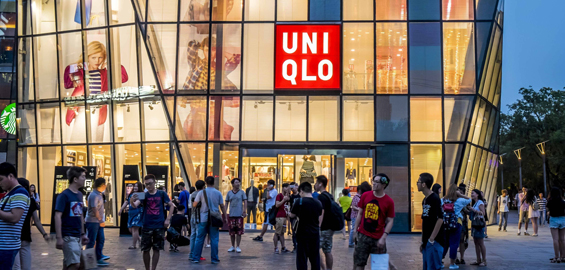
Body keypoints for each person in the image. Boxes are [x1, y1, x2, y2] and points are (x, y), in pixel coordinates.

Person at [130, 175, 176, 270]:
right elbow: (135, 205)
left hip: (159, 225)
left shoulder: (161, 193)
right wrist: (131, 200)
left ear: (154, 182)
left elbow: (172, 205)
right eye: (146, 184)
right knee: (145, 249)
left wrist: (168, 219)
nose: (148, 186)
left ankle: (153, 268)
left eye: (150, 184)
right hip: (147, 225)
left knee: (157, 248)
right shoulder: (144, 195)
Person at [352, 174, 395, 270]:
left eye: (377, 182)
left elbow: (390, 220)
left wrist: (384, 237)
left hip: (378, 238)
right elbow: (360, 213)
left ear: (384, 185)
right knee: (359, 264)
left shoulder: (389, 201)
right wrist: (355, 230)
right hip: (363, 235)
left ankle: (390, 266)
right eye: (373, 181)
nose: (374, 184)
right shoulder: (365, 195)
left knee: (379, 266)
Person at [55, 166, 89, 270]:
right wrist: (59, 238)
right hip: (68, 235)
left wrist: (83, 233)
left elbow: (80, 215)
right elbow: (57, 216)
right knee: (75, 264)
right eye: (83, 177)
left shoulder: (79, 194)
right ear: (75, 179)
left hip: (77, 235)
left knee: (78, 264)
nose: (84, 179)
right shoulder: (64, 195)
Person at [13, 178, 49, 270]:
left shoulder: (13, 200)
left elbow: (36, 221)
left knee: (17, 267)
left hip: (16, 237)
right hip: (22, 237)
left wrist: (44, 234)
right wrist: (44, 234)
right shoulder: (30, 201)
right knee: (24, 267)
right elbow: (36, 221)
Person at [0, 163, 30, 270]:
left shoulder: (20, 193)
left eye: (1, 179)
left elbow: (15, 218)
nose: (0, 183)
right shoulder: (11, 193)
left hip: (6, 246)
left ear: (11, 176)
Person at [191, 176, 227, 264]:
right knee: (214, 239)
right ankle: (214, 259)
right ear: (214, 182)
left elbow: (194, 205)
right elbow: (222, 206)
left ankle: (196, 257)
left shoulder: (201, 192)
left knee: (199, 238)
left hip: (203, 218)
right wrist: (225, 217)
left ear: (206, 183)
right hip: (214, 218)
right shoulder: (218, 193)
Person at [289, 182, 323, 270]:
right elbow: (319, 215)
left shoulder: (299, 201)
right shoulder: (318, 203)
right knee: (315, 258)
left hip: (302, 234)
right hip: (314, 234)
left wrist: (288, 212)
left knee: (301, 259)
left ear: (301, 191)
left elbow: (292, 215)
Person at [441, 184, 472, 270]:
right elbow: (469, 199)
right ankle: (452, 263)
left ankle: (440, 261)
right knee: (454, 243)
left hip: (445, 223)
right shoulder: (460, 200)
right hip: (456, 223)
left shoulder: (443, 200)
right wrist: (460, 194)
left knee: (445, 243)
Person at [417, 173, 444, 270]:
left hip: (434, 241)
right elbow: (425, 221)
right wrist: (423, 241)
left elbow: (440, 219)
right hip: (427, 241)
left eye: (418, 182)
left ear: (424, 184)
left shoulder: (434, 198)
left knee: (433, 267)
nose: (417, 184)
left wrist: (432, 239)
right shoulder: (425, 200)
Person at [85, 177, 109, 266]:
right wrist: (100, 220)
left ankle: (99, 256)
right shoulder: (94, 195)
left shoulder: (99, 194)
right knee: (91, 241)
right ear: (102, 185)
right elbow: (94, 209)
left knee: (100, 239)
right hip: (93, 221)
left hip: (97, 221)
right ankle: (89, 261)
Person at [315, 175, 336, 270]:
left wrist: (318, 226)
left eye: (316, 183)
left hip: (323, 228)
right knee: (327, 250)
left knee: (315, 250)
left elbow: (321, 212)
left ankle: (323, 268)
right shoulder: (329, 195)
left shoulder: (321, 197)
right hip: (330, 227)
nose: (315, 185)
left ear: (320, 184)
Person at [119, 181, 143, 249]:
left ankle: (134, 245)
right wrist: (121, 209)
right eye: (134, 186)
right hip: (131, 213)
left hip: (137, 213)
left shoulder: (141, 195)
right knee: (130, 229)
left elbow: (136, 204)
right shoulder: (131, 194)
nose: (135, 187)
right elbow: (126, 201)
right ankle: (140, 239)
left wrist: (132, 201)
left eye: (137, 186)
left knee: (135, 229)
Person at [225, 178, 247, 253]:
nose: (238, 184)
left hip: (239, 215)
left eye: (239, 182)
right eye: (236, 182)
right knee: (232, 232)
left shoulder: (242, 192)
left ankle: (238, 246)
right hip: (231, 215)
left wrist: (244, 211)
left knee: (239, 232)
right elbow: (226, 203)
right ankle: (232, 246)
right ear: (233, 184)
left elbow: (245, 201)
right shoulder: (229, 193)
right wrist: (225, 212)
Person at [349, 182, 371, 248]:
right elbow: (353, 206)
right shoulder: (356, 197)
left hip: (358, 215)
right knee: (353, 229)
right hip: (355, 215)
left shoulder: (362, 196)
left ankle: (356, 241)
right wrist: (360, 209)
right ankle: (351, 242)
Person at [547, 187, 565, 263]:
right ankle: (563, 256)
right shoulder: (563, 202)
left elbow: (548, 211)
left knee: (555, 239)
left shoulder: (550, 202)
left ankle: (556, 256)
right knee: (562, 239)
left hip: (554, 219)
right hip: (562, 219)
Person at [469, 189, 487, 266]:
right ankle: (478, 260)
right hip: (475, 224)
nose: (471, 195)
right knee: (476, 243)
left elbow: (483, 213)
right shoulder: (475, 203)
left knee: (480, 242)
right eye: (471, 193)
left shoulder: (480, 203)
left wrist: (473, 210)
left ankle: (484, 260)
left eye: (473, 193)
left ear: (477, 195)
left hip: (479, 225)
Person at [189, 180, 206, 262]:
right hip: (199, 217)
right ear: (203, 186)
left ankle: (191, 254)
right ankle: (197, 254)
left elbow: (190, 206)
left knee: (193, 236)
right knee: (198, 237)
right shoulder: (202, 194)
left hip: (192, 216)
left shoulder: (192, 194)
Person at [274, 183, 291, 254]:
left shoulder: (288, 196)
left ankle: (283, 247)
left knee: (282, 233)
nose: (288, 189)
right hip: (279, 217)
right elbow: (277, 205)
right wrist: (283, 200)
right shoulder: (279, 196)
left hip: (285, 216)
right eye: (287, 187)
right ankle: (276, 248)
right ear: (283, 188)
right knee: (277, 232)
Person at [456, 183, 470, 265]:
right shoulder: (455, 200)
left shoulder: (465, 201)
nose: (459, 194)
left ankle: (462, 258)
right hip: (456, 221)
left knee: (462, 240)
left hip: (463, 222)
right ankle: (456, 258)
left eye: (461, 192)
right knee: (455, 241)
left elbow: (468, 210)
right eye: (458, 192)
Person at [288, 182, 301, 252]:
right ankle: (295, 246)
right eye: (291, 187)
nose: (293, 188)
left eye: (293, 186)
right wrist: (288, 191)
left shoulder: (300, 196)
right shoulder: (291, 197)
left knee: (300, 231)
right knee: (294, 232)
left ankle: (299, 245)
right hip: (293, 216)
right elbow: (287, 200)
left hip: (299, 216)